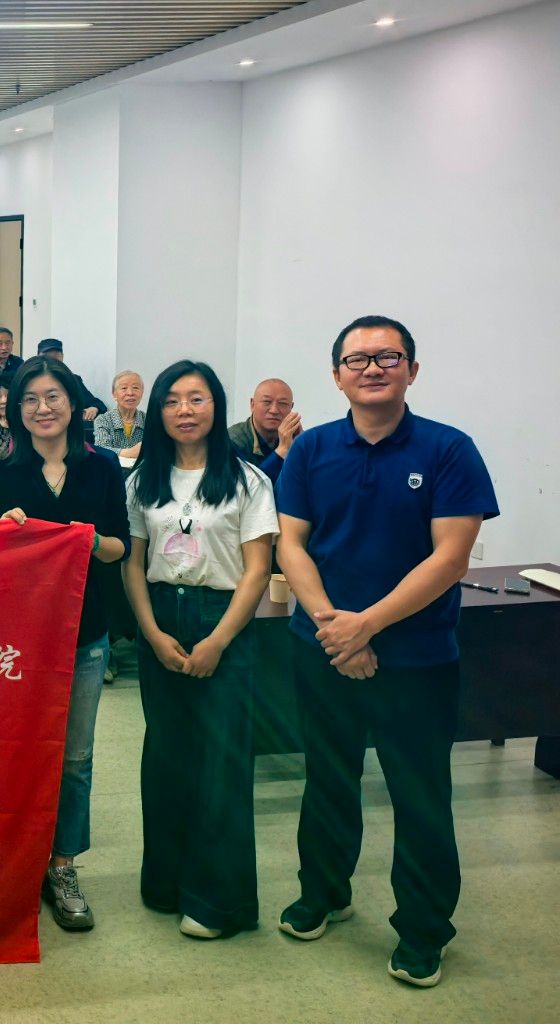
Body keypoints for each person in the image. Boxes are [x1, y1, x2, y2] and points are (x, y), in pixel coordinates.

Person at [275, 315, 497, 989]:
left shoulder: (449, 449)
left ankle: (424, 931)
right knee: (327, 777)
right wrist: (335, 629)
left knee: (419, 793)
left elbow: (450, 559)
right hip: (323, 648)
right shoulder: (311, 450)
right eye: (357, 359)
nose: (372, 368)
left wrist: (365, 627)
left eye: (388, 357)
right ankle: (324, 893)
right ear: (336, 375)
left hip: (418, 658)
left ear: (412, 370)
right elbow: (292, 545)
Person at [122, 359, 278, 941]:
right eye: (172, 401)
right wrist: (150, 632)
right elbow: (133, 564)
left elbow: (258, 570)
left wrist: (217, 640)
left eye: (197, 399)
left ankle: (217, 902)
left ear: (217, 406)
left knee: (221, 762)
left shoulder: (248, 481)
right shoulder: (143, 480)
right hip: (161, 615)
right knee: (166, 756)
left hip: (221, 618)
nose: (184, 411)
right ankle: (165, 883)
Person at [0, 356, 128, 933]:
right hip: (15, 643)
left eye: (53, 396)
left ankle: (63, 866)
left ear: (73, 404)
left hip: (85, 633)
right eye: (31, 399)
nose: (43, 408)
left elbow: (120, 548)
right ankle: (14, 864)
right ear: (16, 410)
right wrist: (3, 535)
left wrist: (87, 540)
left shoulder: (102, 468)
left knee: (75, 758)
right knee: (13, 751)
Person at [227, 378, 301, 482]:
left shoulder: (292, 437)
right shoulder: (232, 440)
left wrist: (301, 448)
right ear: (252, 404)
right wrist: (282, 450)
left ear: (291, 407)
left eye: (283, 403)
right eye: (267, 402)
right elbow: (248, 488)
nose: (274, 410)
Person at [36, 339, 108, 420]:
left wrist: (94, 408)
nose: (52, 361)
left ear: (62, 357)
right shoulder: (31, 381)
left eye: (56, 356)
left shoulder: (73, 380)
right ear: (38, 357)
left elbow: (97, 404)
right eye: (47, 356)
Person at [93, 370, 147, 458]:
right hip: (112, 467)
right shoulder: (103, 419)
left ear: (142, 393)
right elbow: (101, 448)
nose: (130, 393)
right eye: (124, 388)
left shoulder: (148, 419)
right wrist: (130, 453)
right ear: (114, 394)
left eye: (135, 388)